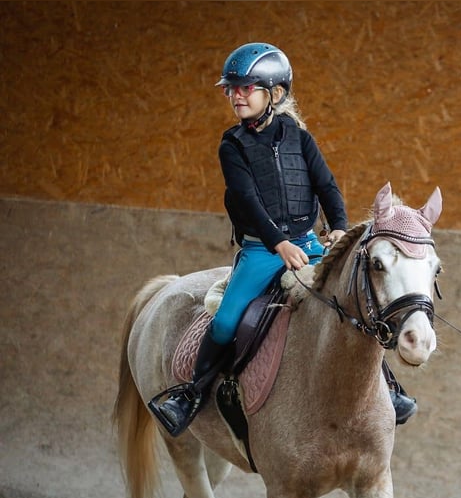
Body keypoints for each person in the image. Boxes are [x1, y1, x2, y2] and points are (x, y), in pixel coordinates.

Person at [149, 42, 417, 437]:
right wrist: (278, 244)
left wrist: (339, 225)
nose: (236, 96)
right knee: (224, 322)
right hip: (262, 249)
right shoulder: (233, 145)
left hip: (308, 243)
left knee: (354, 302)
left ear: (274, 93)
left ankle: (388, 388)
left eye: (246, 88)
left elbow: (326, 185)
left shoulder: (300, 139)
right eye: (232, 89)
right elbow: (247, 199)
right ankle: (189, 393)